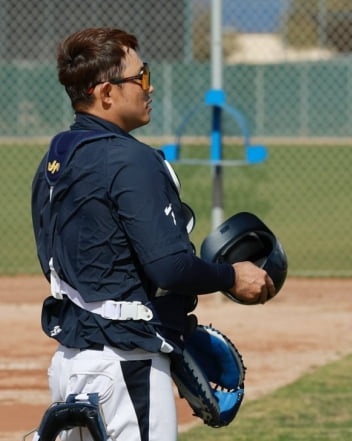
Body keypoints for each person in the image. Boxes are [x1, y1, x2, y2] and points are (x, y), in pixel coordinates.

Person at [31, 27, 275, 441]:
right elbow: (170, 268)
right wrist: (233, 276)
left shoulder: (59, 156)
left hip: (72, 364)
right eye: (140, 77)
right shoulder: (131, 159)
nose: (150, 85)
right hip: (127, 369)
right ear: (106, 93)